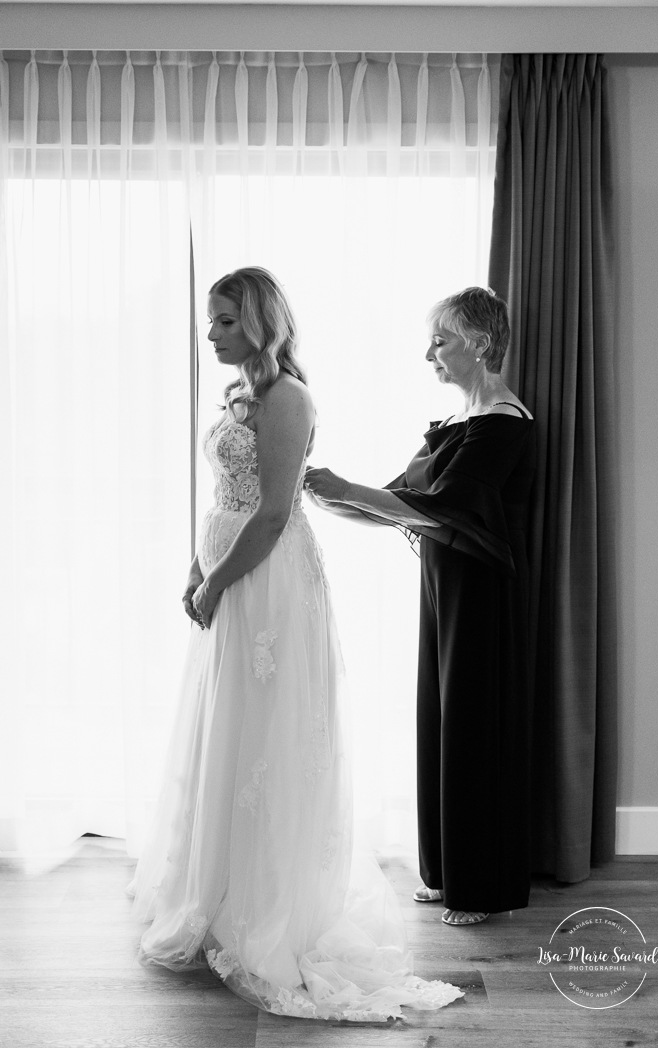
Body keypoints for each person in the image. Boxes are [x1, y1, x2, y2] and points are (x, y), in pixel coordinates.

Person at [127, 267, 463, 1021]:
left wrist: (217, 582)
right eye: (208, 321)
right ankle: (214, 886)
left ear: (258, 322)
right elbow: (227, 498)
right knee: (227, 729)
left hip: (267, 582)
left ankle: (267, 904)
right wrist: (197, 563)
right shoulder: (239, 394)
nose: (208, 333)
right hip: (229, 565)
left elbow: (275, 513)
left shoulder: (288, 398)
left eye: (221, 321)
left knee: (268, 734)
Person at [305, 286, 536, 928]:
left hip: (483, 594)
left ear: (481, 344)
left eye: (440, 339)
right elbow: (401, 496)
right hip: (445, 589)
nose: (428, 352)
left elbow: (448, 510)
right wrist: (332, 498)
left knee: (472, 726)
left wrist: (348, 490)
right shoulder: (459, 425)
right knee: (440, 718)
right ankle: (447, 872)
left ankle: (480, 885)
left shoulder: (503, 424)